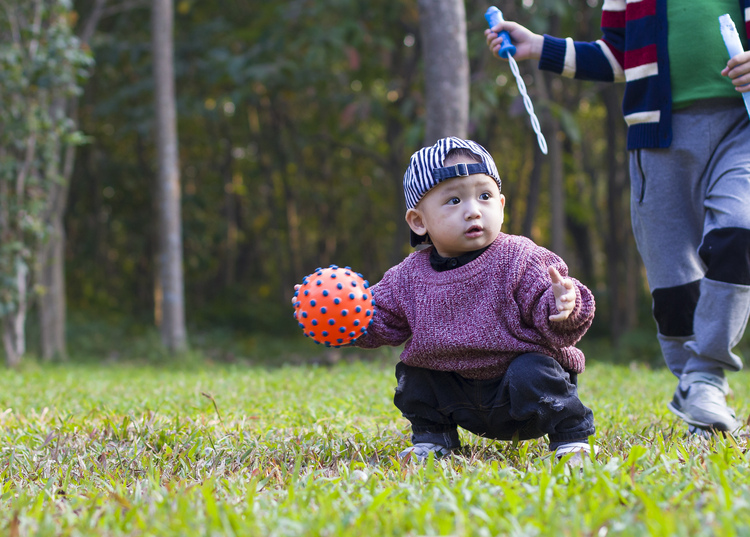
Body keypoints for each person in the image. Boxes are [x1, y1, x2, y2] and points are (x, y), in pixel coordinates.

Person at [485, 1, 750, 435]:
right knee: (672, 276)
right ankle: (695, 388)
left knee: (739, 231)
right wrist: (539, 47)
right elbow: (618, 55)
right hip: (658, 136)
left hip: (742, 127)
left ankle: (707, 375)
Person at [350, 136, 597, 462]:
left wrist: (564, 305)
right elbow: (380, 319)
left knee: (532, 370)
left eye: (484, 196)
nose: (472, 211)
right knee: (415, 375)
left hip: (522, 392)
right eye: (453, 201)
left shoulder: (519, 258)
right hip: (457, 393)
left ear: (501, 205)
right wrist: (348, 318)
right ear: (419, 222)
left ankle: (570, 437)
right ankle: (435, 439)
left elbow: (549, 302)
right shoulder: (407, 277)